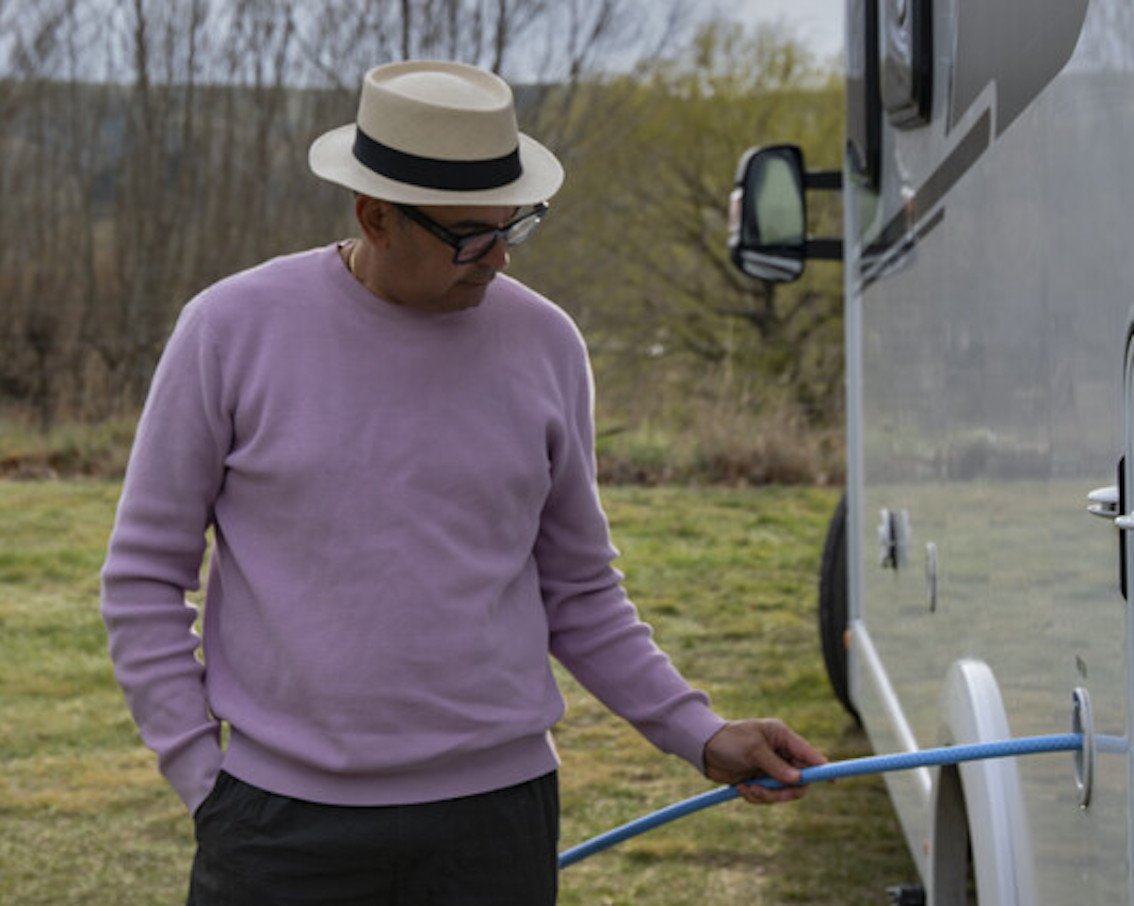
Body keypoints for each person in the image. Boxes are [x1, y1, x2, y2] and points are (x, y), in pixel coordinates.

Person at [100, 59, 826, 905]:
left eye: (512, 228)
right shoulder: (229, 329)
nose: (497, 262)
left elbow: (581, 590)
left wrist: (700, 733)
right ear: (374, 216)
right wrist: (201, 777)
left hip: (495, 825)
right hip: (277, 825)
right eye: (468, 236)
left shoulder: (548, 346)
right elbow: (144, 575)